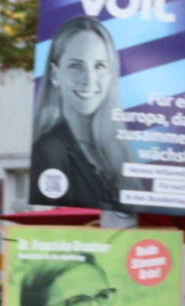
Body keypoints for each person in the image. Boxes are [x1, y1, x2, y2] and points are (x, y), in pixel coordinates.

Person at [29, 17, 125, 210]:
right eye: (76, 66)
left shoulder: (115, 150)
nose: (89, 79)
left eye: (99, 66)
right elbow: (50, 227)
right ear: (55, 75)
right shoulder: (49, 152)